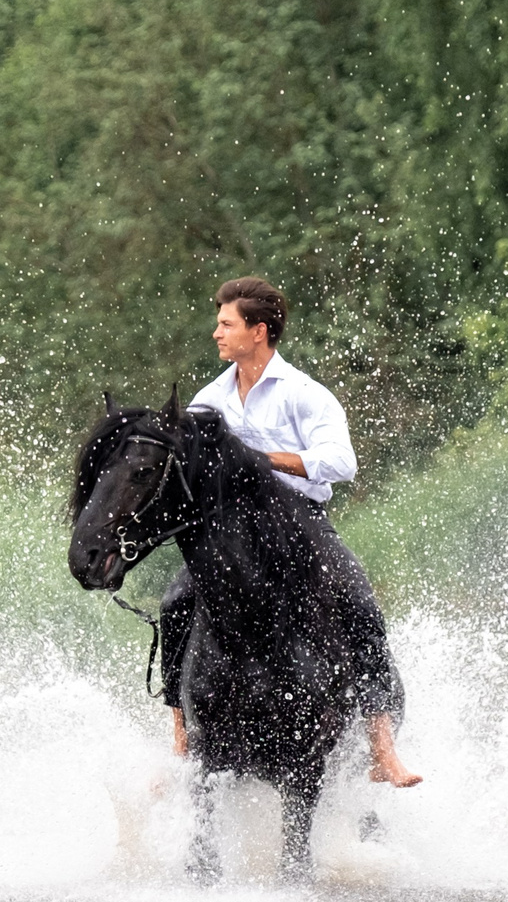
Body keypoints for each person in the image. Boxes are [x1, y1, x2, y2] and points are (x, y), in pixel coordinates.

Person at [159, 276, 422, 788]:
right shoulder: (207, 400)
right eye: (218, 322)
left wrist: (258, 461)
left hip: (300, 527)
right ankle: (180, 736)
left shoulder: (305, 394)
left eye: (226, 323)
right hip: (232, 537)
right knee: (174, 603)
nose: (216, 332)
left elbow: (340, 462)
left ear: (258, 331)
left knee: (358, 599)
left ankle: (382, 746)